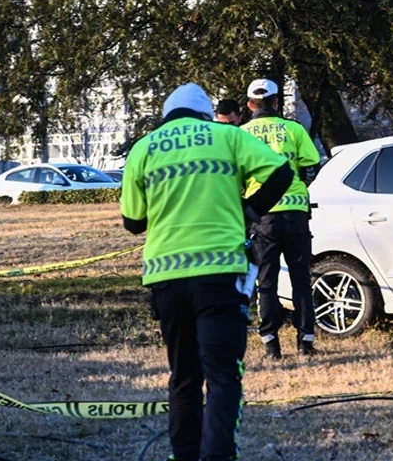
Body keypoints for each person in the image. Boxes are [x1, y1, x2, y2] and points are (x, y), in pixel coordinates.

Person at [121, 83, 293, 461]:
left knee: (183, 377)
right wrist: (249, 210)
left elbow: (133, 222)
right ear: (204, 114)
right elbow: (282, 173)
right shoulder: (227, 136)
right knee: (222, 376)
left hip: (166, 279)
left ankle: (184, 455)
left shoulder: (144, 148)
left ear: (167, 116)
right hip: (220, 274)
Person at [241, 78, 321, 359]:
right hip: (296, 213)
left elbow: (233, 178)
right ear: (276, 102)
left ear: (250, 105)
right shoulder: (294, 129)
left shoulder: (240, 135)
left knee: (266, 282)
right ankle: (306, 343)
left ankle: (271, 345)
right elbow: (312, 168)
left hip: (262, 218)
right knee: (301, 279)